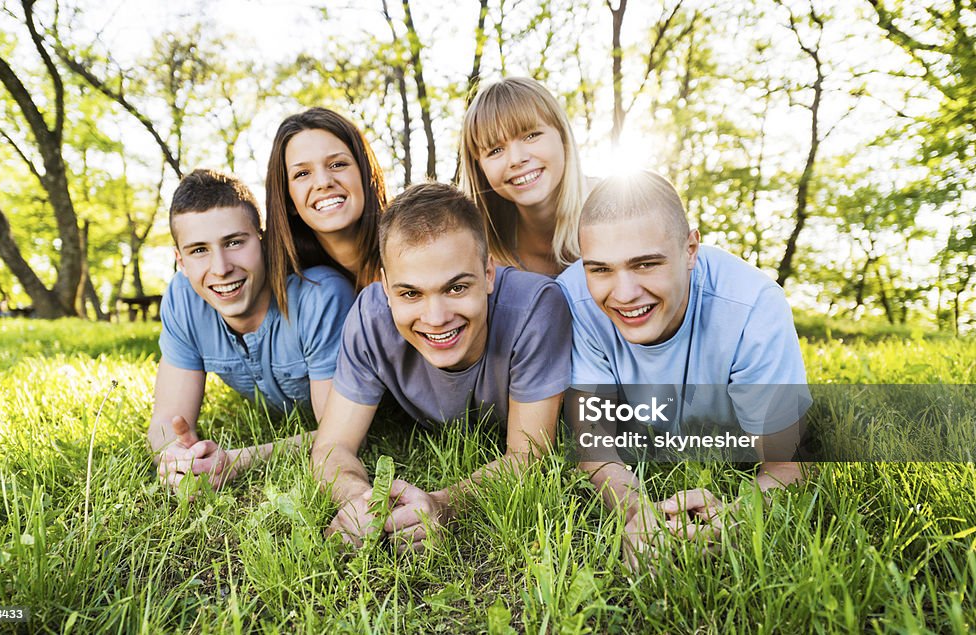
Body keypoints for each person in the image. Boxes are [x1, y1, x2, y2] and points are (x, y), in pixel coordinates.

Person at [555, 170, 810, 568]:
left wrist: (735, 516)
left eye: (645, 264)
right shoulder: (573, 298)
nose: (622, 294)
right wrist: (638, 514)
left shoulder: (754, 306)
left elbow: (788, 466)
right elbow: (594, 443)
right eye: (600, 269)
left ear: (691, 248)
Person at [312, 182, 572, 551]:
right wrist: (358, 498)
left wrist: (440, 504)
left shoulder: (536, 307)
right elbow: (332, 445)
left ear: (488, 275)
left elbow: (528, 458)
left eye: (455, 289)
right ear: (385, 286)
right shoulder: (370, 316)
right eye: (410, 293)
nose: (435, 318)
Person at [149, 169, 355, 495]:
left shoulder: (321, 297)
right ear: (181, 261)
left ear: (263, 242)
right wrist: (177, 457)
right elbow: (166, 421)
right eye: (199, 250)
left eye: (234, 242)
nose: (220, 267)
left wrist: (236, 460)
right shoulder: (182, 299)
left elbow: (340, 435)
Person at [459, 77, 589, 276]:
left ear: (562, 136)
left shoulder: (620, 211)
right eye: (495, 150)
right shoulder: (484, 261)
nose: (517, 159)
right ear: (480, 169)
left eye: (531, 136)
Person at [264, 108, 388, 315]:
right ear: (288, 200)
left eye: (337, 164)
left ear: (366, 174)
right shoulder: (283, 284)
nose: (323, 182)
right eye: (302, 173)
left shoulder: (416, 246)